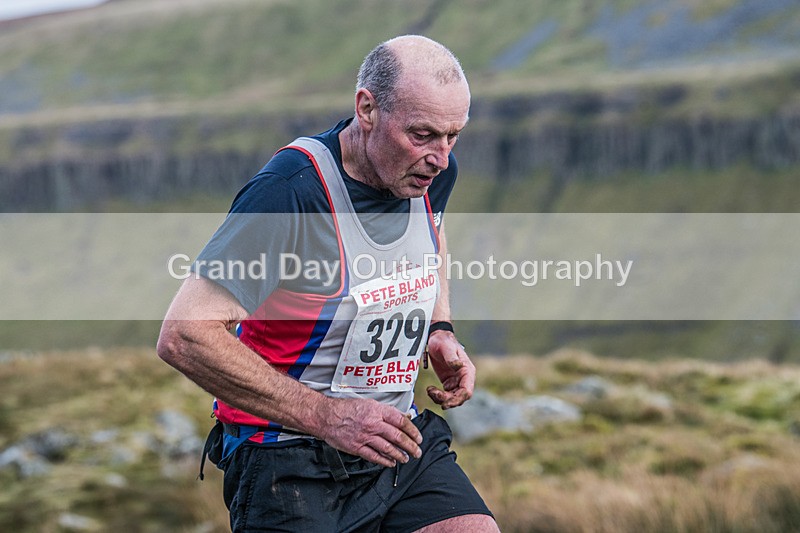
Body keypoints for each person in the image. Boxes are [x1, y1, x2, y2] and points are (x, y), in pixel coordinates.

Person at [157, 35, 498, 532]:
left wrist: (439, 326)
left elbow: (431, 240)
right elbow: (185, 335)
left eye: (453, 135)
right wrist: (327, 417)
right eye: (422, 135)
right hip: (287, 457)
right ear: (367, 108)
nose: (440, 157)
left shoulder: (429, 173)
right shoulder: (290, 192)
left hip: (393, 438)